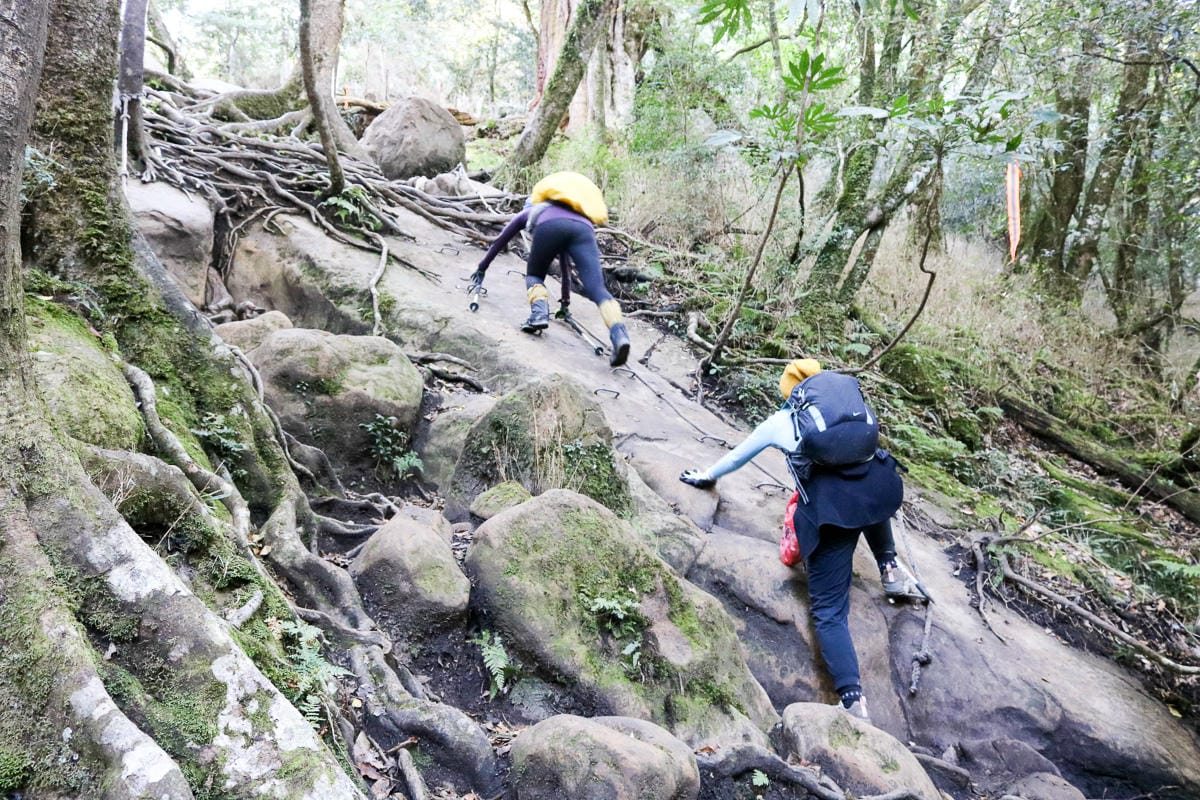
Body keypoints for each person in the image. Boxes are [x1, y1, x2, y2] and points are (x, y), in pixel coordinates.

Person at [678, 358, 912, 723]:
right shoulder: (850, 411)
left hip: (831, 515)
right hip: (878, 492)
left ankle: (853, 700)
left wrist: (706, 476)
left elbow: (740, 456)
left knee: (829, 611)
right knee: (866, 492)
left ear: (790, 394)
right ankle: (891, 569)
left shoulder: (781, 422)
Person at [470, 171, 631, 368]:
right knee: (598, 289)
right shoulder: (578, 214)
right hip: (584, 230)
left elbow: (500, 241)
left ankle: (538, 314)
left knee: (535, 275)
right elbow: (565, 263)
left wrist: (481, 269)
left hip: (550, 227)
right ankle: (619, 334)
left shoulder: (532, 211)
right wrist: (565, 302)